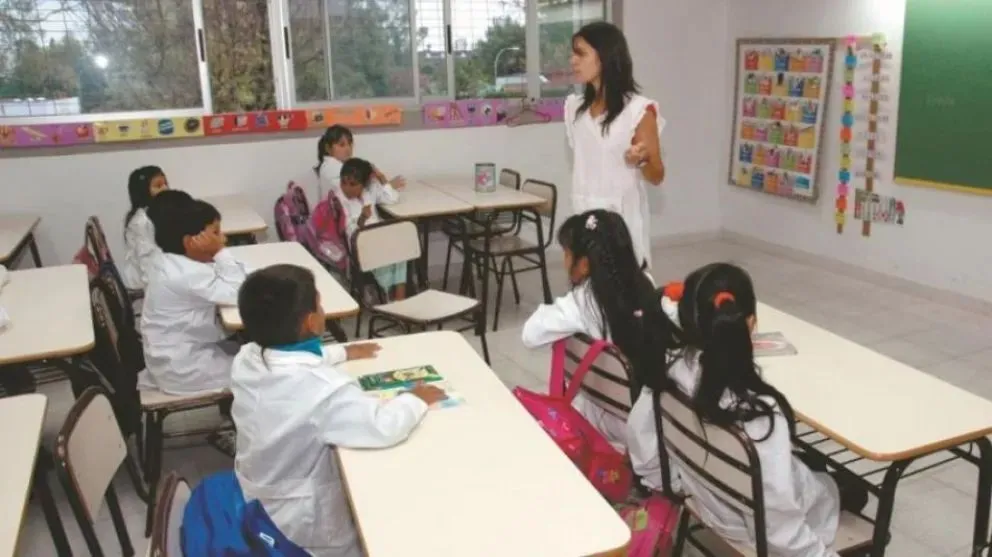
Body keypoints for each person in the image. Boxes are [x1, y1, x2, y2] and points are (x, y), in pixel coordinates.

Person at [628, 263, 868, 556]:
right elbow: (779, 532)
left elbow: (643, 448)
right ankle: (838, 489)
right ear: (751, 323)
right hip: (755, 527)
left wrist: (679, 486)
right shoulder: (759, 416)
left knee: (811, 466)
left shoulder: (668, 372)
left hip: (706, 501)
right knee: (840, 487)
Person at [231, 264, 446, 556]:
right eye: (320, 306)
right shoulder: (324, 389)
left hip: (261, 489)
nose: (323, 310)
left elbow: (293, 359)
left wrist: (343, 351)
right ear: (311, 322)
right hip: (300, 520)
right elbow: (383, 427)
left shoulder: (247, 357)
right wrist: (415, 399)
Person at [521, 209, 682, 451]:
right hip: (653, 415)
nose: (564, 260)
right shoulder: (646, 283)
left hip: (610, 416)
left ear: (584, 264)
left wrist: (559, 306)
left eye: (567, 253)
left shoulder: (581, 302)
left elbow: (530, 335)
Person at [566, 21, 665, 271]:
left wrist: (641, 159)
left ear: (605, 57)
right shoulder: (574, 109)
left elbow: (657, 175)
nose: (572, 61)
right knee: (587, 287)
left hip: (621, 223)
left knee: (622, 287)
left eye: (580, 53)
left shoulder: (639, 111)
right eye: (573, 54)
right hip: (584, 215)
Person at [139, 199, 249, 395]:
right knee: (258, 371)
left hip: (175, 357)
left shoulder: (169, 260)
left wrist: (220, 256)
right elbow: (241, 292)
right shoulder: (187, 274)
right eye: (215, 233)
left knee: (249, 352)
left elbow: (236, 277)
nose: (223, 238)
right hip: (184, 369)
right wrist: (220, 252)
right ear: (190, 242)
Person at [337, 157, 407, 300]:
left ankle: (399, 299)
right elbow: (351, 233)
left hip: (378, 237)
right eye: (343, 182)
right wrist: (362, 218)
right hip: (361, 244)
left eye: (353, 184)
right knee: (385, 253)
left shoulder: (369, 192)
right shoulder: (340, 200)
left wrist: (381, 177)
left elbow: (392, 198)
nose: (347, 188)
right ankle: (387, 296)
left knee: (402, 247)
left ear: (364, 184)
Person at [314, 125, 404, 200]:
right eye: (342, 145)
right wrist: (384, 181)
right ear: (328, 148)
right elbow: (385, 197)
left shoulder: (329, 166)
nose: (348, 148)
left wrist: (382, 184)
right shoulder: (337, 171)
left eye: (350, 144)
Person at [121, 165, 171, 290]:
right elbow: (147, 262)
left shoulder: (159, 212)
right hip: (144, 283)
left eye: (165, 184)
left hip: (159, 271)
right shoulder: (141, 222)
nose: (165, 188)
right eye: (158, 186)